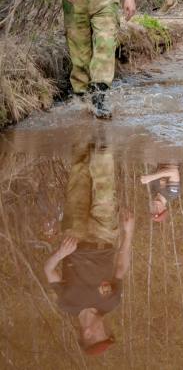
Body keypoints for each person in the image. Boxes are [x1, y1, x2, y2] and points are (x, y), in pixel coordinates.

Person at [43, 140, 134, 356]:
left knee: (78, 176)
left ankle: (82, 135)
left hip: (74, 237)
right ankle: (103, 136)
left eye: (105, 334)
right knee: (105, 189)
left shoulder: (67, 304)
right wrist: (128, 234)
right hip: (105, 235)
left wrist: (60, 254)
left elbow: (48, 270)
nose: (108, 330)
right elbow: (121, 267)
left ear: (89, 335)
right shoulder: (112, 302)